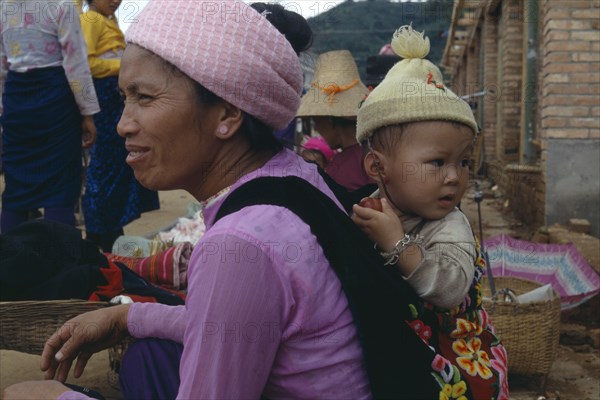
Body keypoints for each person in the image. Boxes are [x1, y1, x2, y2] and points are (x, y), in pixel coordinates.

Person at [2, 1, 371, 399]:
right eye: (124, 97)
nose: (124, 123)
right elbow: (221, 324)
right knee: (148, 357)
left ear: (227, 115)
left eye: (144, 97)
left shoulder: (238, 243)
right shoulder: (297, 176)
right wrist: (128, 315)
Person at [352, 25, 510, 399]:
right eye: (437, 162)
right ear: (378, 168)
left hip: (456, 367)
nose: (455, 177)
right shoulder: (374, 206)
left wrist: (398, 245)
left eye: (463, 162)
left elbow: (450, 289)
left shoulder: (449, 225)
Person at [0, 0, 99, 233]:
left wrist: (4, 114)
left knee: (16, 188)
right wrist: (88, 113)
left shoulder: (4, 7)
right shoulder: (61, 5)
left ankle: (7, 262)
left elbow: (1, 68)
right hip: (55, 102)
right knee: (60, 187)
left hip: (17, 101)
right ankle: (61, 263)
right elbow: (76, 63)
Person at [80, 0, 159, 252]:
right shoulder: (91, 20)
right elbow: (87, 63)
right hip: (103, 102)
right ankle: (98, 232)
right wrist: (122, 65)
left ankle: (110, 227)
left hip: (114, 102)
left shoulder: (108, 21)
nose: (115, 1)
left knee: (115, 166)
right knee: (104, 168)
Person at [297, 50, 372, 191]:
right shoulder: (377, 150)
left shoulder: (341, 169)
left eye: (316, 122)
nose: (317, 129)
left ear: (330, 120)